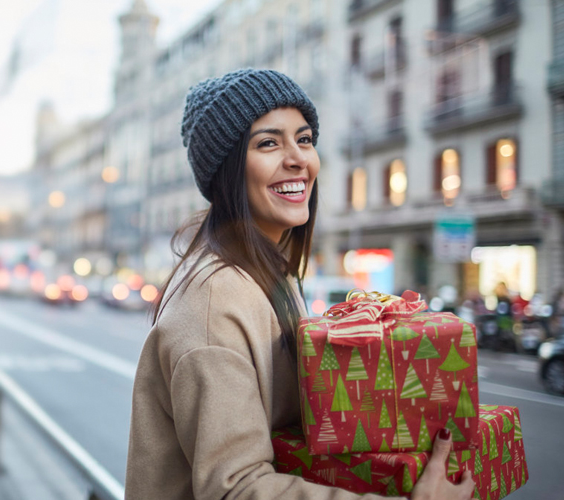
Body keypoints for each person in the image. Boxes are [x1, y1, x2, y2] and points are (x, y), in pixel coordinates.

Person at [125, 69, 474, 500]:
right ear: (227, 170)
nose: (299, 159)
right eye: (268, 143)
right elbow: (237, 489)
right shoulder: (215, 304)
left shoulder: (274, 274)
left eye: (305, 139)